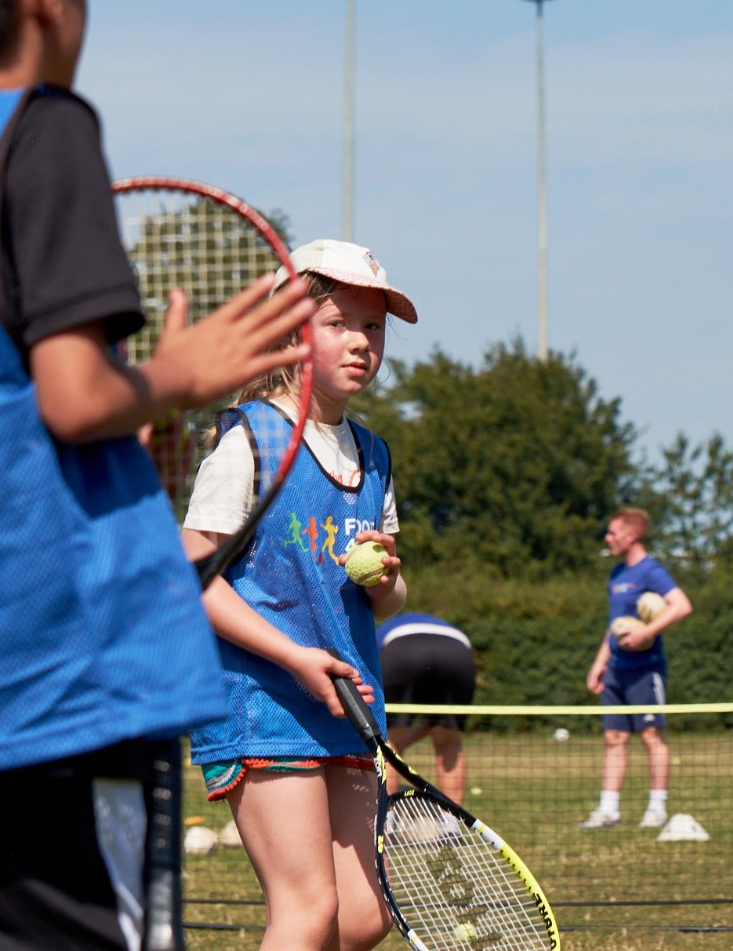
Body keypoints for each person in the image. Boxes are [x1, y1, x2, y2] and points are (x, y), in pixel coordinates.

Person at [0, 0, 313, 951]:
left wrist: (146, 425)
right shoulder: (42, 125)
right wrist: (184, 371)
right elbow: (72, 397)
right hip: (56, 690)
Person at [180, 238, 416, 951]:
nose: (361, 343)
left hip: (350, 709)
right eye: (340, 322)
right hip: (263, 705)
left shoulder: (373, 456)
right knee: (308, 909)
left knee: (364, 916)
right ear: (291, 329)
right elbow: (192, 578)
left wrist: (385, 580)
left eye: (372, 328)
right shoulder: (250, 441)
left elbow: (392, 598)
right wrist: (294, 658)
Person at [581, 508, 692, 829]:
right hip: (616, 670)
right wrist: (600, 663)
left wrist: (647, 632)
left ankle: (657, 809)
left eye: (613, 533)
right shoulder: (616, 574)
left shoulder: (650, 571)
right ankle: (608, 811)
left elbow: (682, 605)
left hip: (646, 669)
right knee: (614, 738)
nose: (608, 538)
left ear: (631, 536)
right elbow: (613, 626)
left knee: (650, 737)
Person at [377, 611, 477, 803]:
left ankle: (386, 820)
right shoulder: (441, 626)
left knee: (388, 744)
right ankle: (451, 824)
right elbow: (432, 724)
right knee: (450, 742)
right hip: (457, 649)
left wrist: (395, 745)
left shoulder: (382, 630)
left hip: (402, 648)